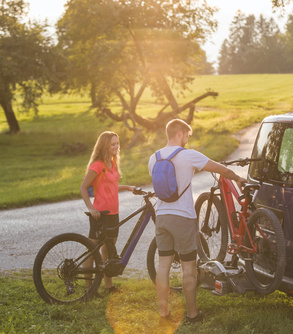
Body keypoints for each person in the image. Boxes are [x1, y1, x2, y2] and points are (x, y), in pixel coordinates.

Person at [148, 119, 246, 323]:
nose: (186, 139)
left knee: (163, 265)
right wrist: (237, 177)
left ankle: (164, 313)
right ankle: (193, 315)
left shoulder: (153, 158)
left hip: (162, 216)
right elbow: (221, 170)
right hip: (183, 218)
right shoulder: (188, 155)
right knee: (188, 268)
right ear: (180, 134)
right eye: (186, 136)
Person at [80, 131, 135, 292]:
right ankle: (89, 288)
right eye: (113, 144)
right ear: (104, 145)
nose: (117, 146)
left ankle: (108, 286)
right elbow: (83, 188)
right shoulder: (98, 165)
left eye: (117, 143)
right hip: (100, 214)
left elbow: (110, 187)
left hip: (113, 213)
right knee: (91, 250)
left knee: (107, 250)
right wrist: (91, 208)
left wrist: (128, 187)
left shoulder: (112, 163)